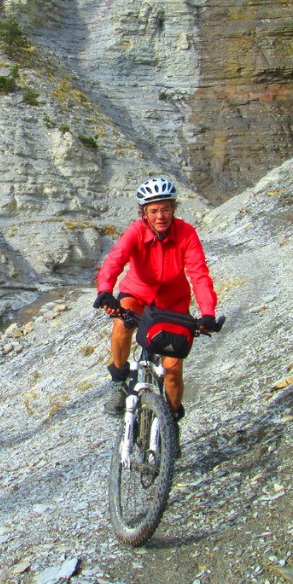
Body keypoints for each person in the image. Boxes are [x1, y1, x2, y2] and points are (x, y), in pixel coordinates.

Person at [93, 176, 219, 431]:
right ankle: (119, 381)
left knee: (173, 371)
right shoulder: (136, 231)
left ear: (173, 209)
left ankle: (170, 425)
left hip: (173, 304)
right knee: (122, 322)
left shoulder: (186, 233)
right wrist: (105, 290)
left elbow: (199, 273)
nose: (160, 216)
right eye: (153, 211)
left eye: (165, 209)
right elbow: (115, 260)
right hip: (137, 295)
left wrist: (207, 313)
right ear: (144, 213)